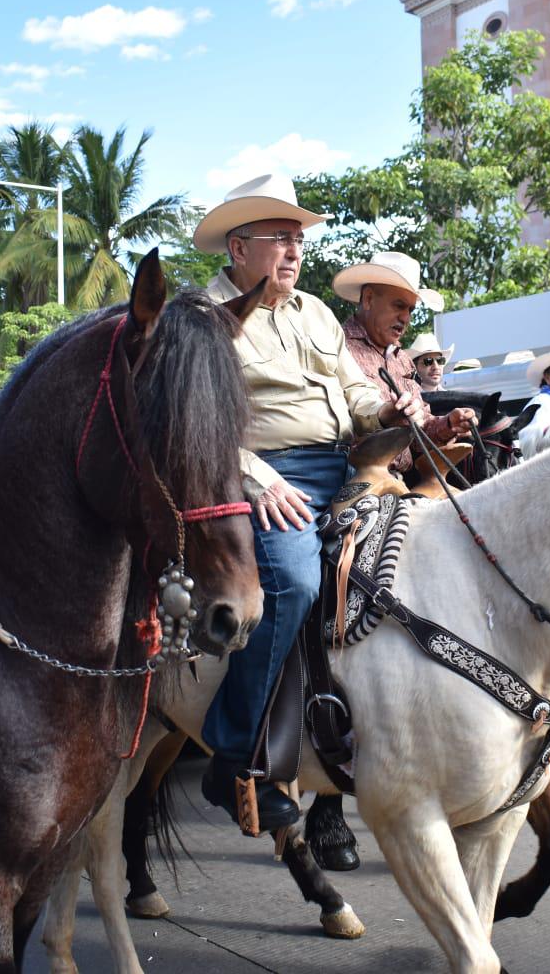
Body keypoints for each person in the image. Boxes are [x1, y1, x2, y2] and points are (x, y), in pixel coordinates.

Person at [190, 175, 424, 832]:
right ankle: (232, 753)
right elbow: (196, 424)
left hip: (347, 465)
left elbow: (355, 397)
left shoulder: (316, 312)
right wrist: (259, 480)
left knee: (431, 543)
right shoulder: (205, 318)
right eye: (281, 239)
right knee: (292, 583)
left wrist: (390, 406)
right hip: (265, 475)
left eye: (299, 239)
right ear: (238, 247)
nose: (295, 251)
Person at [336, 252, 473, 474]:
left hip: (401, 482)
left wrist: (449, 424)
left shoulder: (402, 360)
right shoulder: (337, 348)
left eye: (410, 309)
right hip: (353, 480)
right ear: (369, 299)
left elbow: (420, 435)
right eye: (399, 306)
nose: (406, 318)